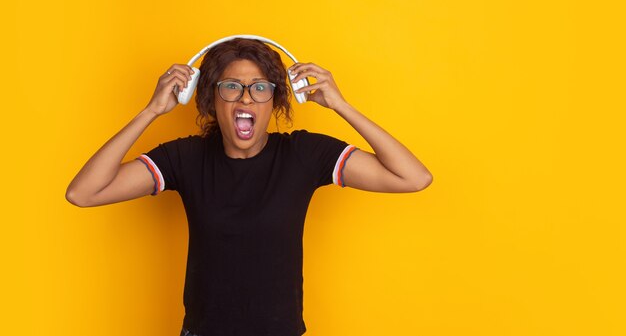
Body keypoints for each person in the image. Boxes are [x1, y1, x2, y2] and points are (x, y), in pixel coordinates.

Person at [66, 38, 433, 336]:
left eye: (260, 87)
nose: (246, 98)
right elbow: (84, 193)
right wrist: (151, 112)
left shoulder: (304, 154)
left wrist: (340, 105)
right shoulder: (186, 158)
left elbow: (413, 178)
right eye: (232, 87)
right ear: (210, 98)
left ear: (275, 98)